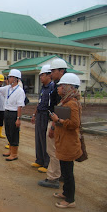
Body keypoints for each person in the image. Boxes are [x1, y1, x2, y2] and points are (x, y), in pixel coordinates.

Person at [49, 73, 82, 209]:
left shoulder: (72, 103)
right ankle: (65, 193)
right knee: (64, 170)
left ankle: (70, 199)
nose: (58, 88)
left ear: (68, 87)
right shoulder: (65, 101)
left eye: (61, 86)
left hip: (68, 143)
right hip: (63, 141)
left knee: (68, 173)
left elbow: (75, 123)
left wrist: (58, 121)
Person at [38, 59, 67, 189]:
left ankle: (53, 178)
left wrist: (54, 126)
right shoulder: (60, 86)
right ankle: (61, 174)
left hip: (56, 122)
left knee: (53, 150)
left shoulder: (61, 88)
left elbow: (60, 109)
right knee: (58, 150)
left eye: (53, 71)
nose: (51, 74)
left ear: (61, 71)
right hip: (58, 121)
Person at [0, 69, 25, 161]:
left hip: (14, 113)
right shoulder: (8, 88)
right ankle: (11, 151)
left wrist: (18, 118)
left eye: (11, 77)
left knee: (14, 134)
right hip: (7, 112)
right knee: (8, 132)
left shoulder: (20, 91)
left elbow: (20, 106)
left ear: (16, 79)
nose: (8, 78)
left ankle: (14, 154)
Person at [31, 65, 54, 173]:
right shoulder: (43, 88)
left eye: (42, 75)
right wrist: (34, 114)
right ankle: (39, 160)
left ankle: (46, 163)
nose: (40, 77)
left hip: (46, 115)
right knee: (38, 138)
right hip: (40, 114)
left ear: (49, 75)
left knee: (45, 140)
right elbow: (39, 102)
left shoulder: (52, 88)